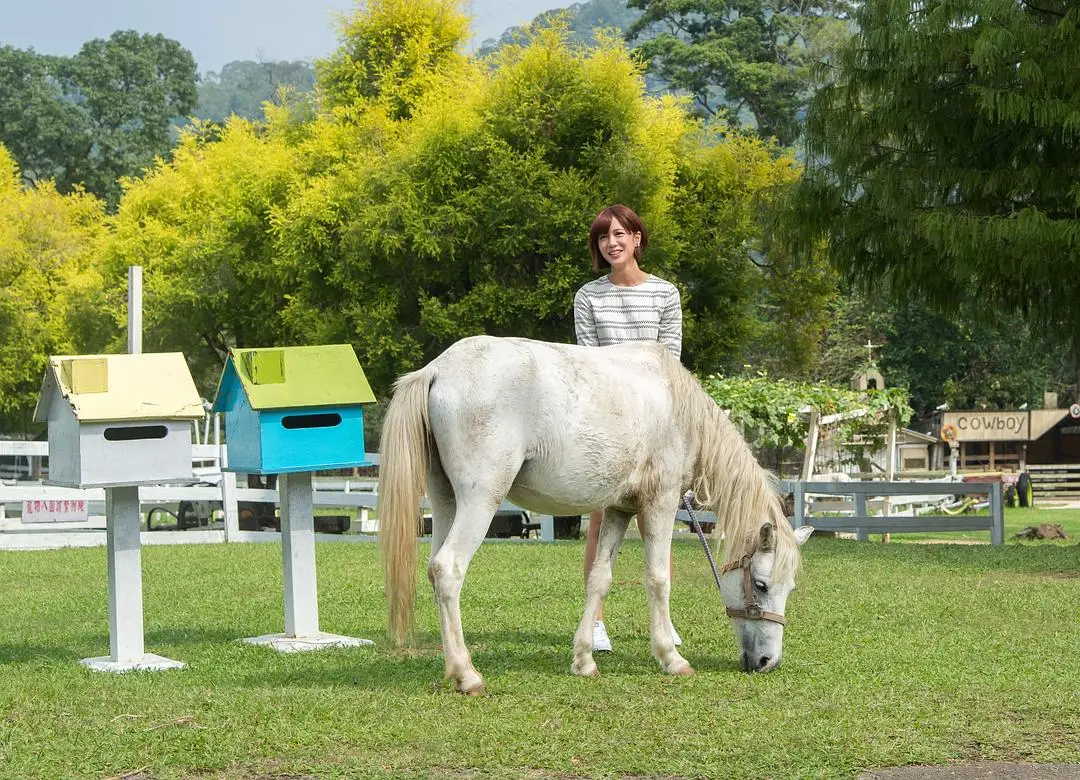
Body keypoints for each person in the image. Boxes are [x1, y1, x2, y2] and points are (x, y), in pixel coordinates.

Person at [572, 203, 683, 653]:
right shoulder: (589, 297)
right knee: (599, 520)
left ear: (637, 238)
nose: (612, 243)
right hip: (607, 419)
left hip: (654, 420)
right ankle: (595, 620)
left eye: (620, 234)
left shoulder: (665, 295)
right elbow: (588, 362)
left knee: (660, 522)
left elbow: (669, 363)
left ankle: (664, 621)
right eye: (603, 237)